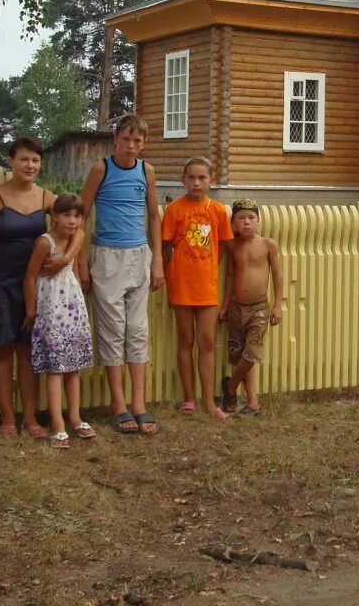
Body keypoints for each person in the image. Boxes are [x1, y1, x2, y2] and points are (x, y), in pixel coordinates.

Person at [0, 137, 83, 438]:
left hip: (38, 285)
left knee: (27, 350)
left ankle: (31, 418)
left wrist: (66, 257)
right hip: (1, 281)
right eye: (24, 159)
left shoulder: (47, 199)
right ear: (10, 161)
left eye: (35, 161)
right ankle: (7, 419)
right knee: (2, 350)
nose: (30, 166)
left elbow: (79, 225)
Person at [76, 114, 164, 435]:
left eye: (137, 141)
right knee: (112, 329)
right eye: (126, 139)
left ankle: (139, 403)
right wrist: (81, 262)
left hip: (139, 255)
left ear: (143, 143)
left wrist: (157, 262)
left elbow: (153, 216)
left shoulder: (146, 171)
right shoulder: (101, 169)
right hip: (107, 257)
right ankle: (118, 404)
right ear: (116, 139)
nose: (131, 146)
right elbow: (81, 216)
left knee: (137, 330)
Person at [161, 157, 233, 420]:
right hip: (181, 285)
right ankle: (189, 398)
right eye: (191, 177)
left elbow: (223, 245)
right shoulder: (174, 210)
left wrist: (208, 265)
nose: (196, 182)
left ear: (210, 180)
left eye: (202, 178)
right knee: (185, 341)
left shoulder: (217, 211)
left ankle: (209, 402)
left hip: (207, 286)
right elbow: (165, 246)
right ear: (183, 180)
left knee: (206, 342)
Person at [22, 193, 95, 447]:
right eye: (66, 215)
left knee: (73, 366)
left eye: (77, 216)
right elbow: (30, 276)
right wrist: (31, 310)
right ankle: (58, 425)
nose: (72, 221)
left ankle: (75, 417)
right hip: (51, 307)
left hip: (72, 306)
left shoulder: (74, 238)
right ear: (54, 216)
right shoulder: (45, 243)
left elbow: (72, 268)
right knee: (55, 368)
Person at [218, 199, 284, 417]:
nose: (246, 222)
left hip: (259, 308)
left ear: (258, 221)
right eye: (241, 218)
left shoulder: (267, 244)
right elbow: (228, 275)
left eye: (251, 218)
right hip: (236, 308)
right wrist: (225, 305)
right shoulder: (232, 245)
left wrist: (277, 305)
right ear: (233, 223)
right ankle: (253, 402)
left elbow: (277, 275)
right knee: (240, 354)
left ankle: (230, 387)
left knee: (252, 351)